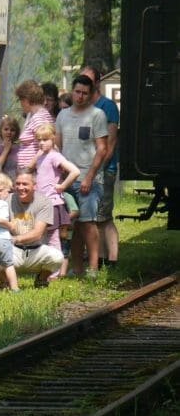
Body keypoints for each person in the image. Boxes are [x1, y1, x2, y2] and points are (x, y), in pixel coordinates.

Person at [55, 75, 109, 277]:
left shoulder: (98, 115)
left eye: (84, 93)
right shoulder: (62, 115)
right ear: (72, 91)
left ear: (91, 93)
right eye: (77, 92)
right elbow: (58, 146)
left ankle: (93, 268)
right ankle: (77, 268)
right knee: (72, 225)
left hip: (88, 178)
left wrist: (89, 177)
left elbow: (102, 149)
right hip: (67, 178)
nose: (80, 96)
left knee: (88, 222)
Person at [81, 65, 120, 267]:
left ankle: (112, 259)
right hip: (86, 170)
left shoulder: (108, 107)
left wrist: (97, 170)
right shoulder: (81, 107)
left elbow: (110, 144)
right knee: (92, 217)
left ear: (97, 83)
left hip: (104, 169)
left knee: (104, 216)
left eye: (88, 79)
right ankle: (100, 258)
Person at [33, 122, 80, 271]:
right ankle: (46, 267)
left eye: (45, 139)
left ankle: (55, 270)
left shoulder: (55, 156)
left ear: (53, 139)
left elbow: (74, 171)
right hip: (41, 203)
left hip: (52, 203)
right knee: (43, 237)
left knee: (53, 238)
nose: (41, 143)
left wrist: (62, 186)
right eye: (39, 140)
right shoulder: (41, 157)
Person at [8, 167, 65, 286]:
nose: (20, 187)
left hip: (36, 251)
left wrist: (15, 239)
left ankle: (41, 279)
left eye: (25, 184)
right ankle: (5, 282)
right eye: (17, 184)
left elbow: (37, 233)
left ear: (34, 186)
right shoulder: (7, 200)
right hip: (12, 251)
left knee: (57, 257)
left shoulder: (44, 202)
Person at [14, 80, 53, 168]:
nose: (21, 104)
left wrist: (29, 168)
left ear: (26, 99)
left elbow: (45, 147)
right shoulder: (34, 115)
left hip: (35, 172)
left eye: (20, 100)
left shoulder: (39, 117)